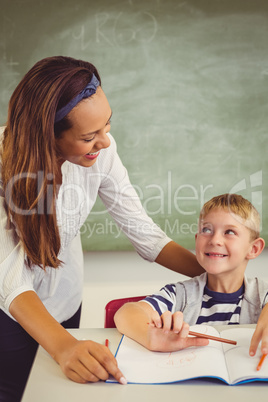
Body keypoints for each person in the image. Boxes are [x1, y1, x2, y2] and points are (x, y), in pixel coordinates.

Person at [0, 56, 205, 401]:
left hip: (66, 300)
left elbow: (144, 232)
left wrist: (218, 273)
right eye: (90, 136)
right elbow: (10, 279)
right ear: (47, 134)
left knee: (60, 393)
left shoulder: (99, 153)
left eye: (107, 126)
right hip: (9, 316)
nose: (105, 142)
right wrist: (64, 347)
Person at [115, 194, 268, 358]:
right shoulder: (179, 294)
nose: (215, 240)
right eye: (206, 230)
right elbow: (125, 314)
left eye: (229, 232)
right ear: (197, 240)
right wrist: (149, 336)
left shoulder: (262, 294)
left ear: (253, 249)